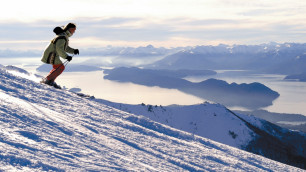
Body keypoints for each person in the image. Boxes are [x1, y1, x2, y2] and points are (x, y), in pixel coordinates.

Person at [41, 23, 79, 88]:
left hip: (52, 53)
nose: (74, 32)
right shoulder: (62, 37)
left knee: (58, 67)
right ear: (70, 29)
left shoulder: (64, 36)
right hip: (52, 54)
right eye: (74, 30)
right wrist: (66, 57)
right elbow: (59, 49)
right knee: (60, 67)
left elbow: (65, 48)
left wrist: (73, 51)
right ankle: (47, 81)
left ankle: (50, 81)